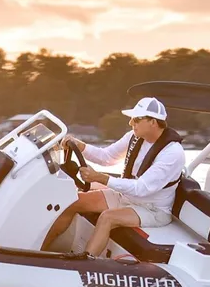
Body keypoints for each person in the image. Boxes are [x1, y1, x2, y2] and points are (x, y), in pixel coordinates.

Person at [41, 97, 185, 256]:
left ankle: (86, 260)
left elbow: (141, 188)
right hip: (126, 197)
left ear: (153, 122)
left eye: (137, 119)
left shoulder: (172, 153)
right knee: (73, 202)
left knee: (107, 217)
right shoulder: (134, 137)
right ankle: (41, 251)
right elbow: (107, 157)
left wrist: (99, 178)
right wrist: (81, 146)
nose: (131, 123)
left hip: (152, 210)